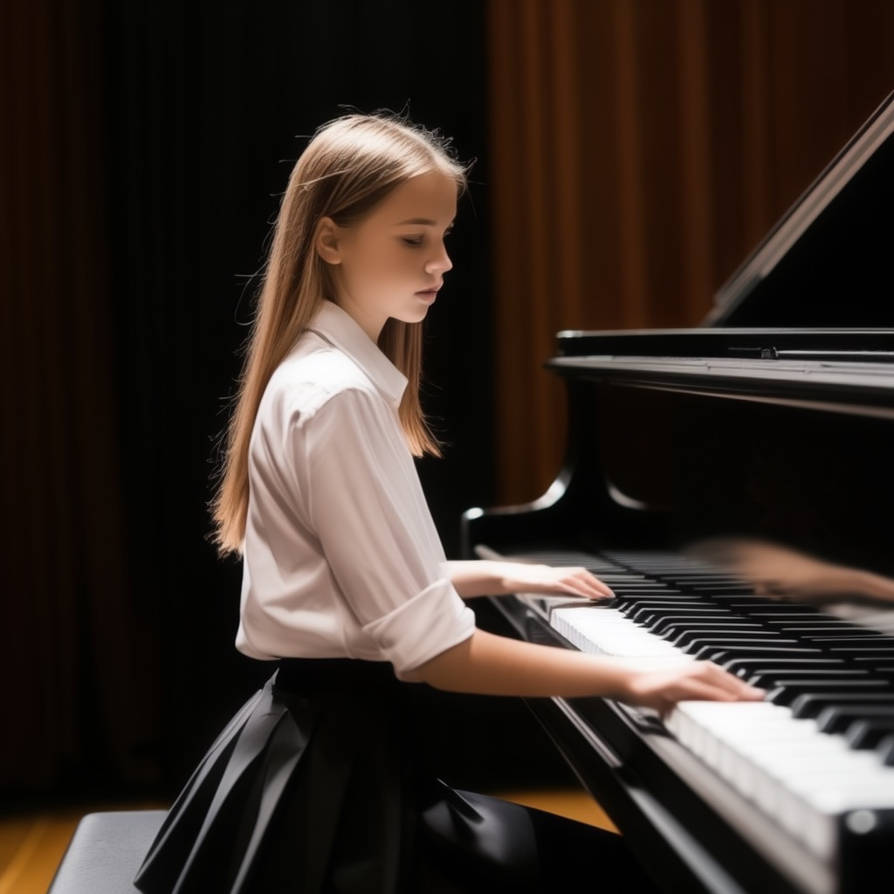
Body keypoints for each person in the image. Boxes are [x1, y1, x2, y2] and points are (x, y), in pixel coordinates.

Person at [132, 110, 765, 894]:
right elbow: (436, 655)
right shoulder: (337, 396)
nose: (442, 261)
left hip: (316, 753)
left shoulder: (315, 374)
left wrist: (497, 576)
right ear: (329, 240)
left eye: (444, 236)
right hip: (341, 802)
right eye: (413, 238)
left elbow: (351, 589)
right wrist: (637, 678)